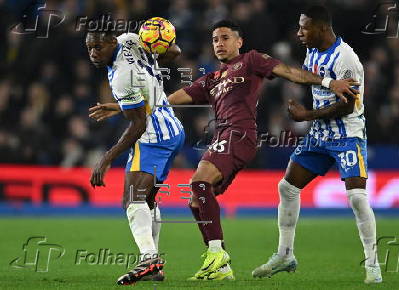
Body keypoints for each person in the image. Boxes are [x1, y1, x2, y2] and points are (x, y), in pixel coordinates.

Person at [166, 19, 359, 281]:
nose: (219, 44)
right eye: (214, 40)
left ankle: (216, 256)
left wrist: (328, 83)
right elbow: (172, 99)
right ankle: (219, 263)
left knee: (199, 183)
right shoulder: (211, 79)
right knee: (196, 198)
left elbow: (290, 73)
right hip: (222, 137)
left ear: (239, 42)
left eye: (225, 38)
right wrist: (128, 107)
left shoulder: (251, 61)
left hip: (239, 134)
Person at [251, 6, 382, 284]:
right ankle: (285, 254)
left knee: (357, 198)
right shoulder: (312, 50)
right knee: (287, 187)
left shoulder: (346, 58)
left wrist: (305, 115)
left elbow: (347, 107)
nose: (299, 33)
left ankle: (373, 266)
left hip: (347, 134)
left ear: (322, 28)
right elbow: (309, 79)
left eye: (304, 27)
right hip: (320, 135)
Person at [85, 29, 185, 285]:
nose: (94, 53)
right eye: (89, 48)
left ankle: (150, 259)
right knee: (147, 200)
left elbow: (139, 125)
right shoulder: (131, 38)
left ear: (111, 42)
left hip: (152, 137)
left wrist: (106, 158)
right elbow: (174, 52)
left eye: (98, 47)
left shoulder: (121, 76)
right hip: (172, 129)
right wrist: (121, 107)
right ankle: (155, 268)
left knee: (132, 199)